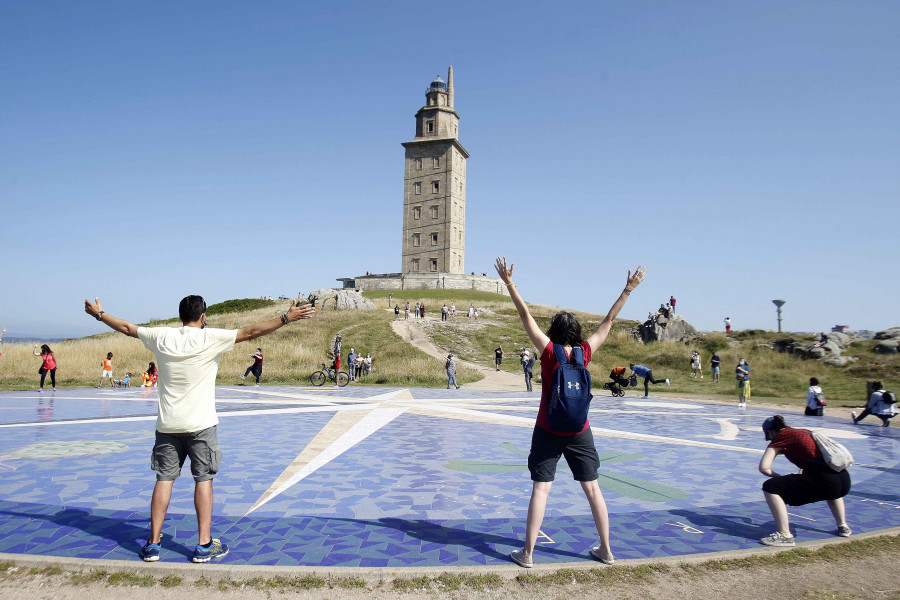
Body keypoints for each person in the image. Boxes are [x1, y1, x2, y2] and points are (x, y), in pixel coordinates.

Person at [83, 294, 314, 563]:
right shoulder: (210, 338)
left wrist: (99, 315)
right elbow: (251, 332)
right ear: (203, 317)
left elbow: (127, 328)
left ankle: (152, 544)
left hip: (168, 424)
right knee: (203, 479)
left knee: (164, 479)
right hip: (201, 425)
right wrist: (287, 318)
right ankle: (204, 544)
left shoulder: (161, 337)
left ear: (181, 315)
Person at [495, 255, 646, 568]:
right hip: (580, 430)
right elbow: (608, 322)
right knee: (592, 489)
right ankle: (606, 550)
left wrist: (509, 283)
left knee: (541, 489)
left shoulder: (549, 352)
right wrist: (628, 290)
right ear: (577, 332)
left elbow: (525, 316)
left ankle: (528, 554)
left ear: (553, 330)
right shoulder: (585, 352)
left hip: (548, 429)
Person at [758, 415, 851, 547]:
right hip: (843, 480)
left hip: (824, 481)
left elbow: (764, 468)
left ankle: (784, 534)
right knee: (831, 491)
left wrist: (780, 478)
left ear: (770, 432)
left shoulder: (779, 438)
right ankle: (843, 526)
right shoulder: (802, 432)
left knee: (770, 487)